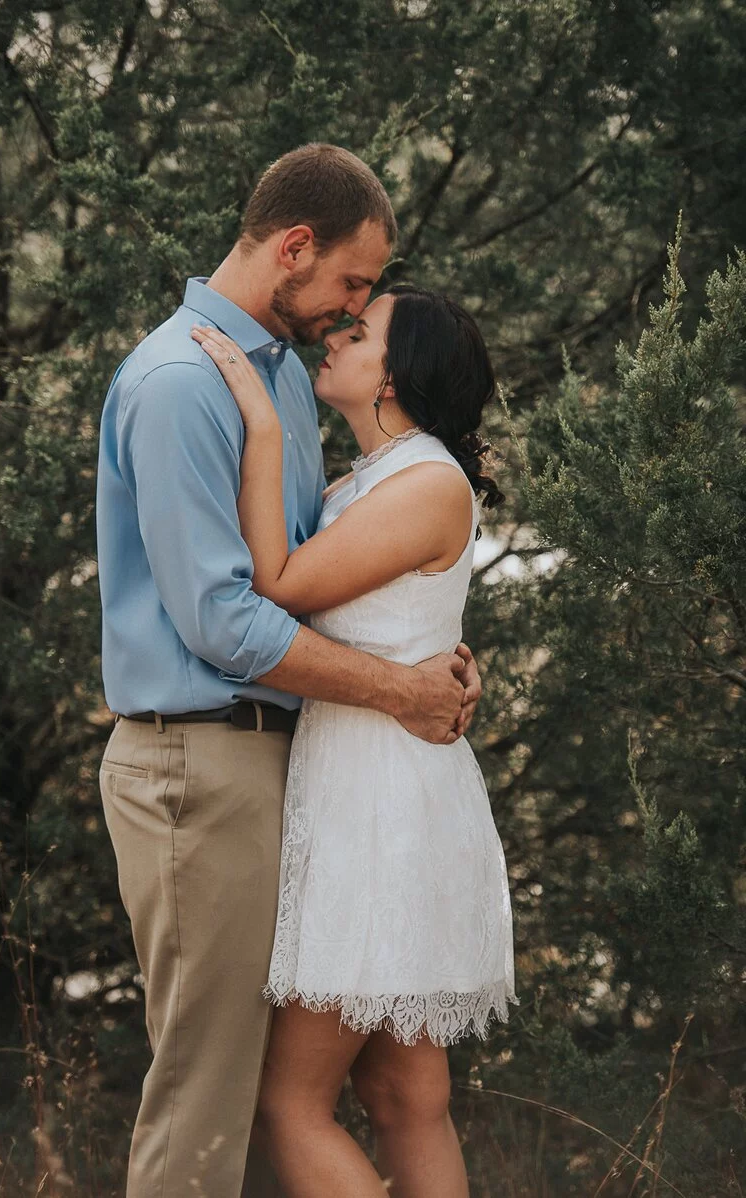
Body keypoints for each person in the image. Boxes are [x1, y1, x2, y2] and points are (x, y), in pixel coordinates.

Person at [95, 144, 483, 1198]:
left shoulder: (274, 379)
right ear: (294, 246)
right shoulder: (184, 382)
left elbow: (325, 576)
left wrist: (430, 653)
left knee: (332, 1092)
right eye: (352, 285)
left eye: (367, 305)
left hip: (293, 767)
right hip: (199, 763)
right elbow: (226, 618)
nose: (351, 308)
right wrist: (400, 687)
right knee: (208, 1099)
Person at [191, 283, 517, 1198]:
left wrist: (260, 425)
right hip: (385, 781)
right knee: (404, 1090)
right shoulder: (377, 479)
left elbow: (282, 582)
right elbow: (402, 620)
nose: (336, 334)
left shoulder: (425, 481)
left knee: (290, 1102)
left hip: (376, 808)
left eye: (359, 330)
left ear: (395, 377)